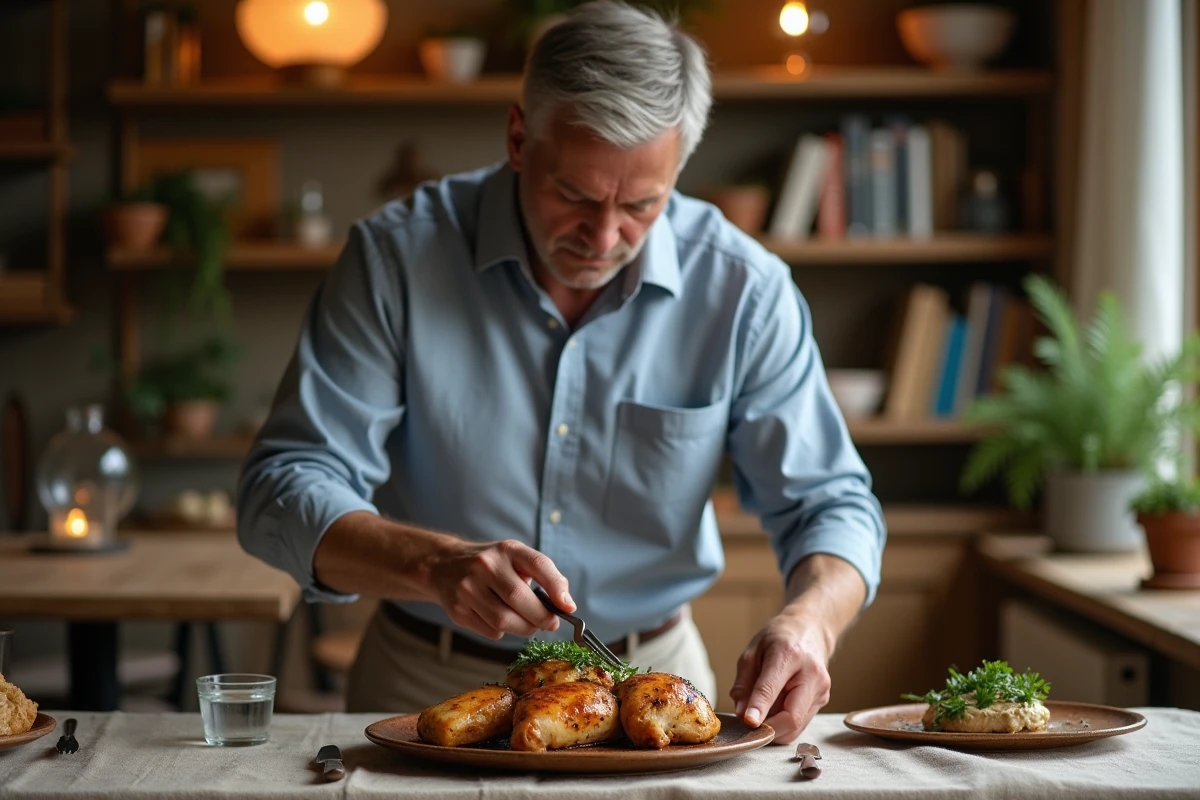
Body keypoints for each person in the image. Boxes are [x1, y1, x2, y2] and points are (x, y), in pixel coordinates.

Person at [237, 0, 885, 745]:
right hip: (428, 683)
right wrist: (434, 563)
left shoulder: (745, 289)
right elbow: (279, 488)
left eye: (641, 203)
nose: (604, 237)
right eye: (574, 195)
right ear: (519, 138)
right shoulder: (395, 261)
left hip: (653, 686)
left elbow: (832, 504)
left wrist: (810, 622)